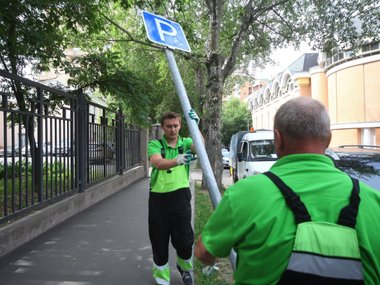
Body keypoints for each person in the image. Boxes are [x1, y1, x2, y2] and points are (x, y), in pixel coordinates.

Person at [195, 97, 380, 285]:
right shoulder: (373, 200)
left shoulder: (245, 193)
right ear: (328, 139)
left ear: (278, 138)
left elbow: (204, 252)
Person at [148, 110, 200, 285]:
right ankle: (162, 279)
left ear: (180, 126)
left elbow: (199, 146)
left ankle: (185, 269)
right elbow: (158, 162)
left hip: (180, 197)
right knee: (159, 240)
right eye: (169, 126)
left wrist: (196, 127)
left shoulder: (186, 142)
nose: (172, 129)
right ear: (163, 127)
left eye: (176, 125)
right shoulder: (155, 145)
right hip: (159, 199)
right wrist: (177, 160)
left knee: (185, 240)